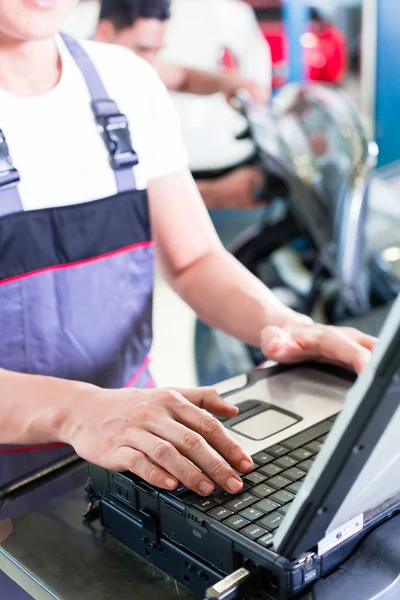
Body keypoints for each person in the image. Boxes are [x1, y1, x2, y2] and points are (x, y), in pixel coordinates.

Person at [0, 0, 376, 597]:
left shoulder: (124, 81)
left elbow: (196, 258)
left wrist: (281, 323)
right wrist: (78, 409)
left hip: (134, 456)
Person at [94, 0, 271, 226]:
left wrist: (229, 82)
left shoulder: (126, 61)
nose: (151, 64)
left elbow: (183, 78)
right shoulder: (77, 93)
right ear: (105, 32)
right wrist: (215, 194)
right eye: (143, 49)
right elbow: (110, 197)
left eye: (157, 51)